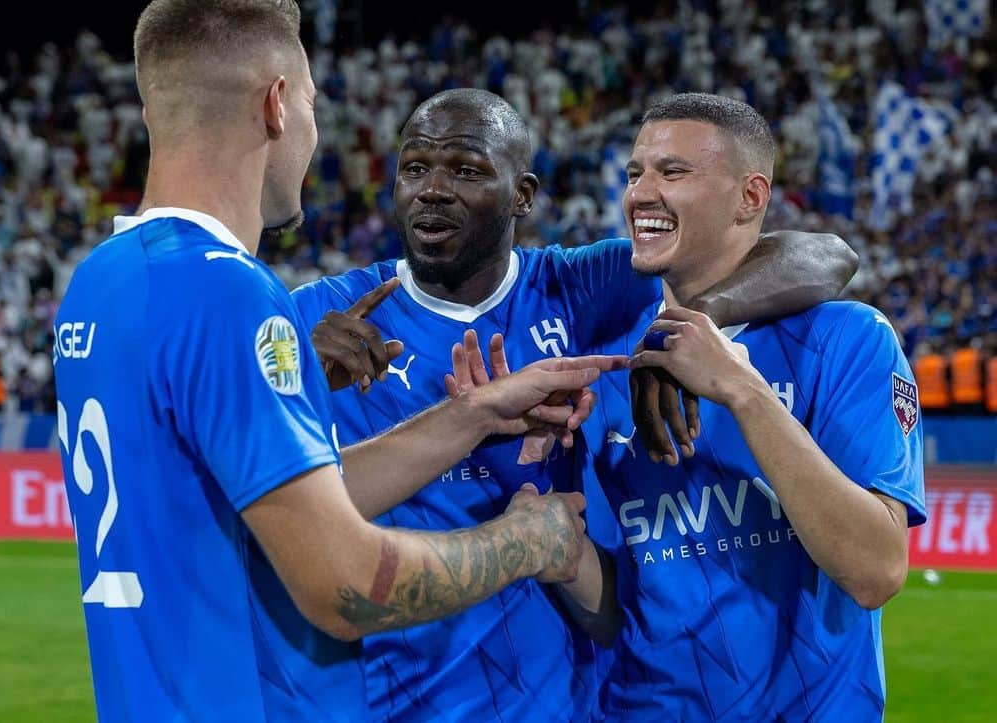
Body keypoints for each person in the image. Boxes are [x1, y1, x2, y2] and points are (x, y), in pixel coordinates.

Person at [53, 2, 628, 720]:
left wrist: (469, 415)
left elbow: (269, 500)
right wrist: (524, 541)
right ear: (278, 103)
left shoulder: (99, 283)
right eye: (315, 104)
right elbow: (346, 585)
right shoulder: (228, 293)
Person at [291, 88, 859, 722]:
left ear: (522, 196)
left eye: (467, 170)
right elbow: (238, 500)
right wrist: (294, 377)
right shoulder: (322, 318)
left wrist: (689, 320)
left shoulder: (581, 286)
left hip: (553, 697)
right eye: (416, 168)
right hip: (378, 695)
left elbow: (824, 255)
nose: (433, 188)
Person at [574, 93, 925, 720]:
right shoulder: (609, 364)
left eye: (673, 172)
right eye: (635, 173)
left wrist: (743, 391)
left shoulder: (844, 339)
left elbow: (875, 571)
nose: (640, 194)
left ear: (751, 197)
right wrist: (552, 545)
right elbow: (616, 607)